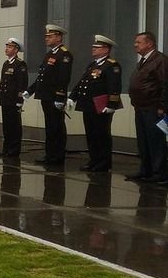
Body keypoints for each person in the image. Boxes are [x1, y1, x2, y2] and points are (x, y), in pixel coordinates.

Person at [69, 35, 123, 172]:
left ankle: (103, 162)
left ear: (106, 49)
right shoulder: (92, 64)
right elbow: (82, 82)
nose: (93, 49)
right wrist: (72, 97)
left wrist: (112, 104)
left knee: (101, 134)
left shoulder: (111, 65)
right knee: (91, 134)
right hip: (88, 105)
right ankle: (94, 160)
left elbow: (114, 87)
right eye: (94, 47)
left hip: (101, 106)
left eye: (97, 47)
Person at [23, 24, 73, 165]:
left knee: (57, 126)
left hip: (54, 96)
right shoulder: (50, 54)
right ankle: (50, 154)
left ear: (58, 37)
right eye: (46, 36)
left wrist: (60, 96)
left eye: (49, 36)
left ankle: (57, 156)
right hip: (46, 95)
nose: (46, 39)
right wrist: (30, 90)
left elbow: (63, 78)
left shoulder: (64, 55)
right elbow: (42, 77)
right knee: (50, 127)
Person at [127, 31, 168, 182]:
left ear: (149, 43)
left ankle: (160, 174)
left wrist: (162, 107)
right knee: (143, 141)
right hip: (141, 107)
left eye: (138, 42)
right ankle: (146, 170)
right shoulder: (144, 60)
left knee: (155, 141)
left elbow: (165, 84)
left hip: (153, 107)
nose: (135, 45)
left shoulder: (160, 60)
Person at [0, 38, 29, 157]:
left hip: (14, 99)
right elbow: (3, 82)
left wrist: (20, 100)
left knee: (14, 125)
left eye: (10, 47)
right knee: (7, 125)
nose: (7, 49)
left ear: (16, 50)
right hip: (5, 99)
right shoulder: (6, 63)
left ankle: (14, 149)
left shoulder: (20, 64)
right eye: (7, 46)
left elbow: (22, 84)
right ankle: (6, 148)